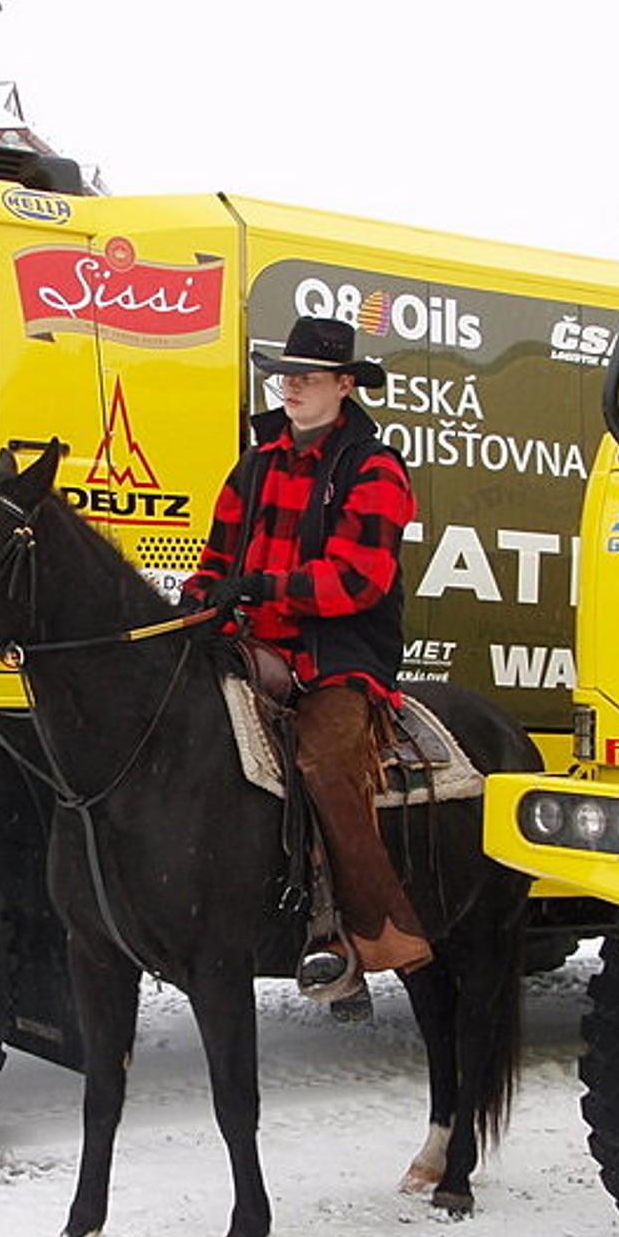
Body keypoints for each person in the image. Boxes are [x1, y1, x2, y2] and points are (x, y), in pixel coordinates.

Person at [180, 316, 433, 1007]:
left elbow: (359, 580)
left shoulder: (374, 467)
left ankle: (371, 933)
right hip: (249, 645)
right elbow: (212, 561)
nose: (289, 387)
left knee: (322, 758)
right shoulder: (253, 465)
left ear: (344, 386)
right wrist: (202, 599)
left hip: (336, 657)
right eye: (285, 375)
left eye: (308, 377)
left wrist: (266, 588)